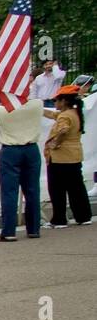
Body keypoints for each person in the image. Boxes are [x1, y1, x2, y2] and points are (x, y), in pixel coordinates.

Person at [0, 94, 44, 241]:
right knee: (32, 190)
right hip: (31, 149)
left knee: (9, 192)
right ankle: (33, 229)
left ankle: (8, 231)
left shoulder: (2, 110)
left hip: (10, 150)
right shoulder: (37, 104)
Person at [43, 86, 92, 228]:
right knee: (76, 188)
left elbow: (63, 129)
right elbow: (53, 115)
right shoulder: (74, 113)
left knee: (57, 189)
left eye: (56, 100)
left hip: (60, 157)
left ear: (63, 101)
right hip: (74, 155)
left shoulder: (65, 116)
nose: (54, 103)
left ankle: (59, 219)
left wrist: (56, 143)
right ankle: (83, 216)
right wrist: (39, 110)